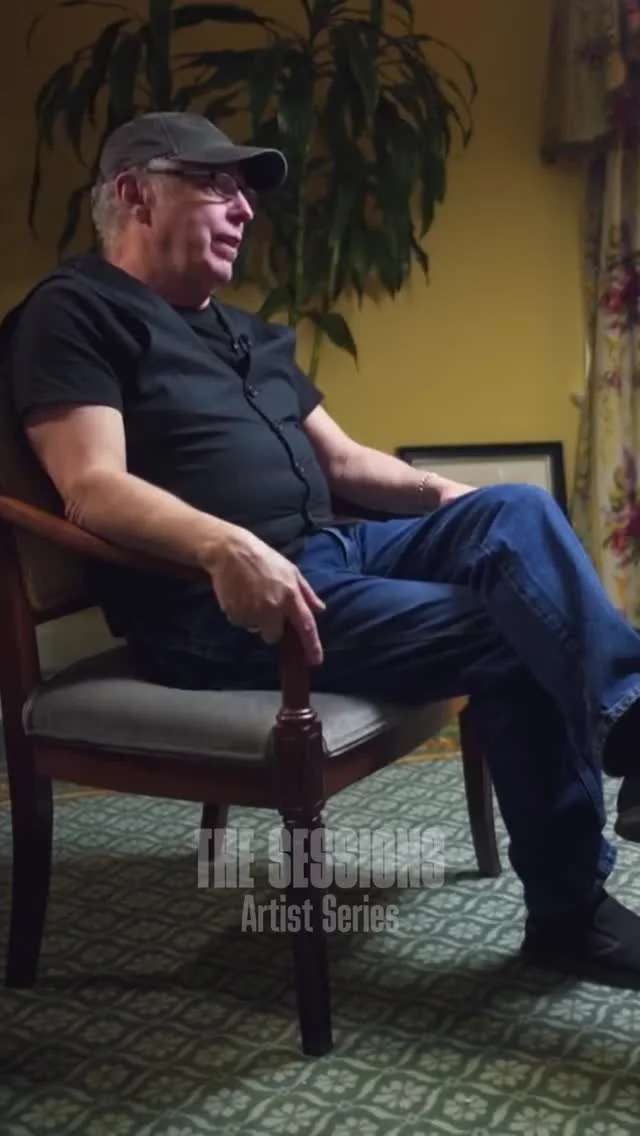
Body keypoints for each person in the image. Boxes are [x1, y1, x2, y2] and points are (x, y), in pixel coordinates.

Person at [4, 110, 640, 989]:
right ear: (133, 195)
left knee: (517, 513)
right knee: (509, 633)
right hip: (212, 608)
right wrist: (225, 545)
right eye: (217, 184)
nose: (245, 209)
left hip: (331, 549)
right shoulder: (75, 311)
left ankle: (634, 730)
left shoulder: (245, 332)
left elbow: (341, 461)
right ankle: (570, 913)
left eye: (246, 192)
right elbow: (91, 485)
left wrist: (456, 500)